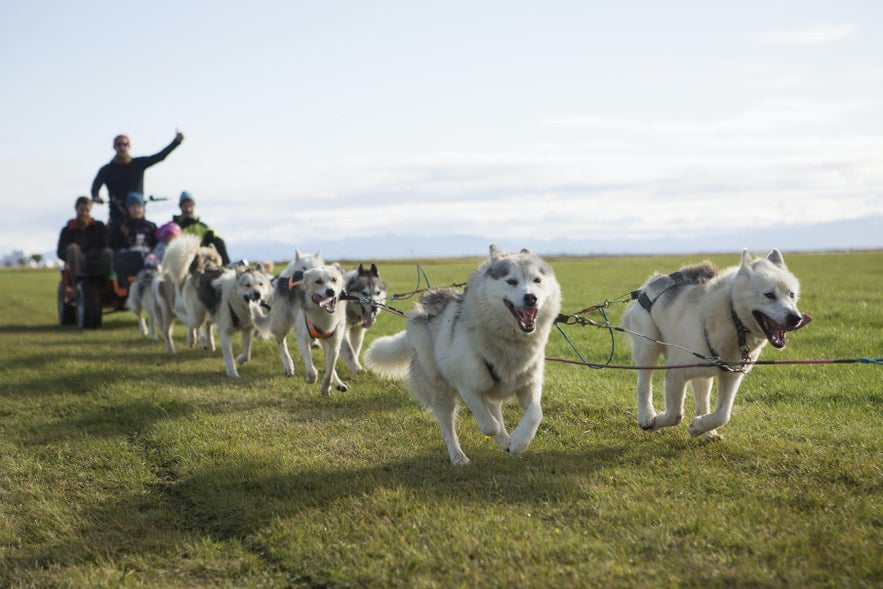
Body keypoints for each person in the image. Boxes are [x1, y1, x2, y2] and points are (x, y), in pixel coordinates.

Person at [90, 130, 184, 229]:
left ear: (129, 146)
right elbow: (95, 187)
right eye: (119, 144)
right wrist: (96, 196)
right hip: (117, 215)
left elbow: (160, 156)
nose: (122, 147)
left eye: (125, 144)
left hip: (138, 213)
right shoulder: (106, 170)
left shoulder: (138, 164)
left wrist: (176, 142)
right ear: (114, 147)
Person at [57, 196, 113, 283]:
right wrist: (70, 249)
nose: (84, 213)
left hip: (96, 261)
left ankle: (108, 283)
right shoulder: (68, 229)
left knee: (108, 252)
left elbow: (106, 244)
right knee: (73, 250)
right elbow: (60, 252)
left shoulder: (99, 227)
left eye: (87, 210)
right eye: (81, 210)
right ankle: (77, 286)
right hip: (77, 263)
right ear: (76, 209)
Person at [172, 191, 230, 265]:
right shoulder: (174, 227)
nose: (188, 207)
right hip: (181, 260)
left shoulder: (203, 227)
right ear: (181, 206)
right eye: (185, 204)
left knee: (219, 242)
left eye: (190, 204)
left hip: (201, 261)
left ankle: (224, 268)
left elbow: (218, 241)